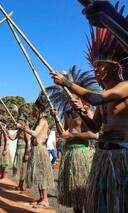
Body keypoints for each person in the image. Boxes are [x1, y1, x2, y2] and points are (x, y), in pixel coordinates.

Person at [51, 23, 128, 212]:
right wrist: (81, 112)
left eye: (100, 65)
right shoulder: (107, 94)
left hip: (122, 155)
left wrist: (67, 83)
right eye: (94, 66)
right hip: (104, 155)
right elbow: (95, 127)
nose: (96, 70)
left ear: (114, 66)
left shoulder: (125, 86)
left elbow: (94, 98)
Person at [47, 66, 100, 213]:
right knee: (74, 194)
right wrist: (55, 118)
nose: (72, 99)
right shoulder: (68, 114)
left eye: (75, 96)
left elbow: (94, 134)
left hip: (82, 153)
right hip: (69, 154)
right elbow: (63, 133)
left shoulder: (88, 110)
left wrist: (73, 136)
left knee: (84, 192)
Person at [16, 95, 54, 208]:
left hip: (40, 150)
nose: (32, 110)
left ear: (38, 109)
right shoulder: (38, 120)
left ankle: (45, 200)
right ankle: (41, 198)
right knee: (37, 174)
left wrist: (23, 128)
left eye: (34, 108)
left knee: (42, 174)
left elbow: (35, 133)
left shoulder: (43, 120)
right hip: (35, 150)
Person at [10, 116, 30, 191]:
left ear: (23, 123)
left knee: (23, 168)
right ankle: (20, 185)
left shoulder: (26, 130)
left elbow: (28, 142)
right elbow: (12, 138)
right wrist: (5, 130)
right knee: (18, 167)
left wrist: (26, 154)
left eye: (19, 122)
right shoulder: (19, 131)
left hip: (23, 151)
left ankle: (21, 186)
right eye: (18, 122)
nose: (17, 123)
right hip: (18, 150)